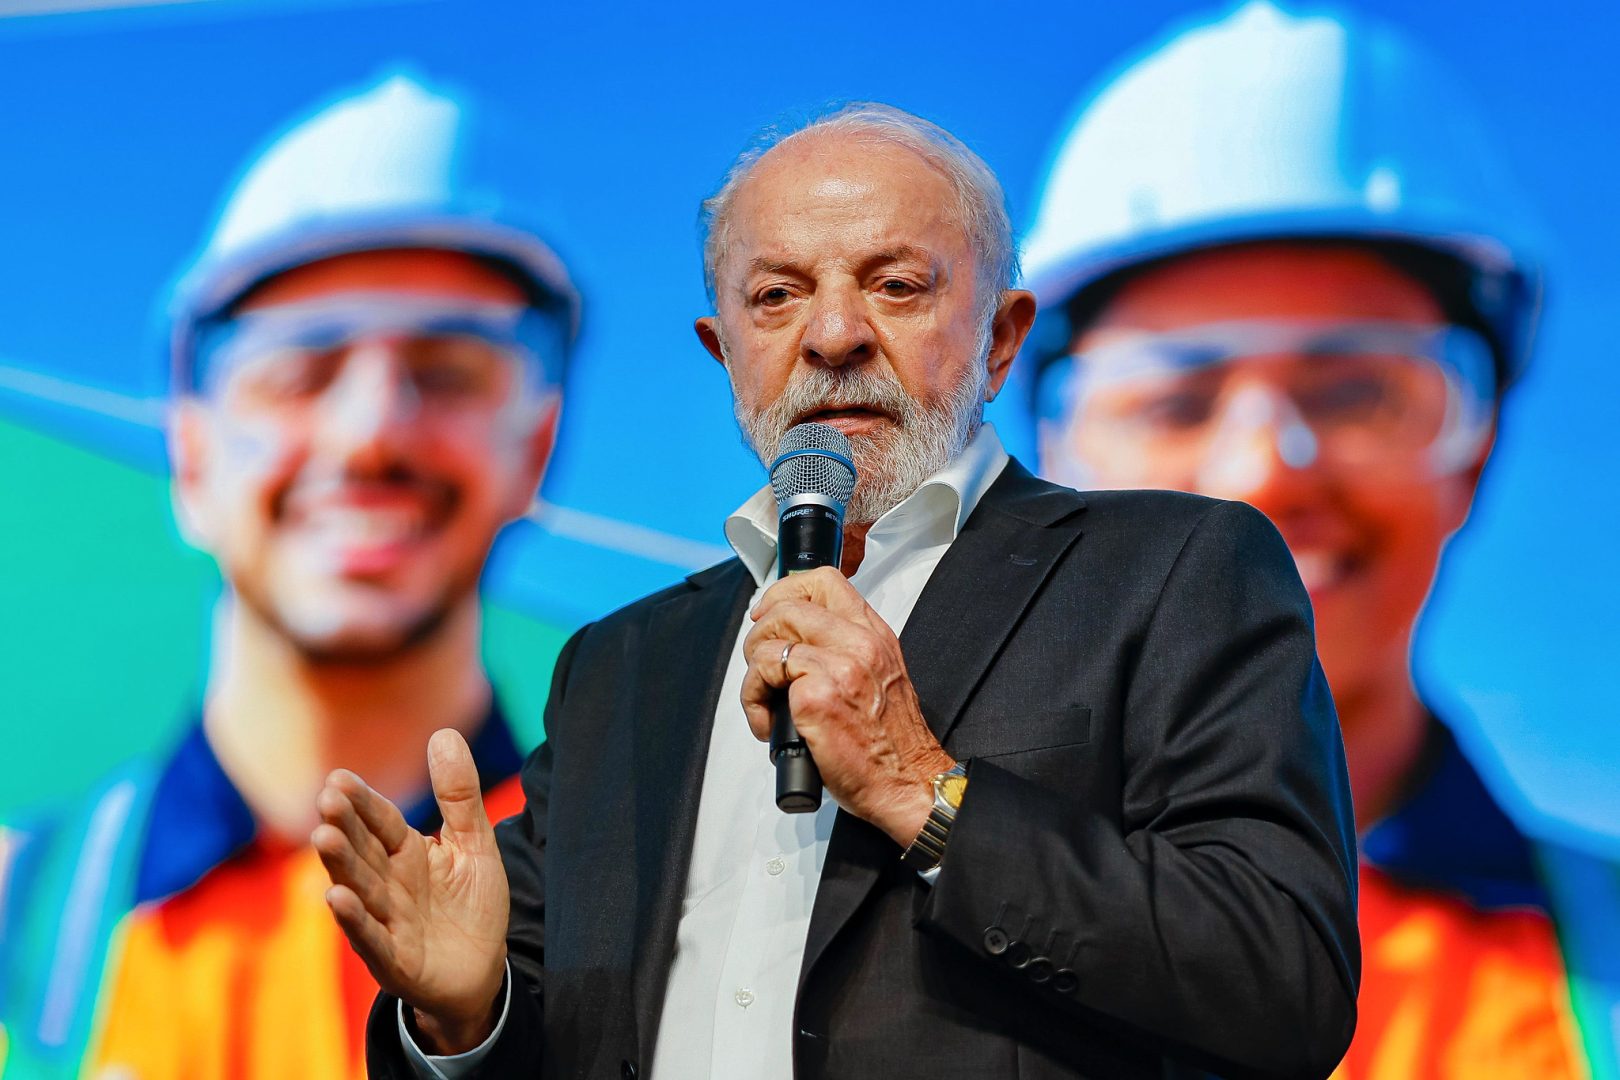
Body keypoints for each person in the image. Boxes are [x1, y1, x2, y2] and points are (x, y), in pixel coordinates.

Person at [318, 102, 1359, 1080]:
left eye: (896, 285)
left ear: (1001, 339)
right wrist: (463, 1015)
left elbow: (1285, 980)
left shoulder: (1170, 573)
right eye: (776, 297)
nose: (832, 336)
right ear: (724, 353)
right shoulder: (621, 665)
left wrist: (926, 794)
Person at [1019, 4, 1618, 1077]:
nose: (1264, 475)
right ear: (1055, 468)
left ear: (1473, 454)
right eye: (1175, 401)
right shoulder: (835, 935)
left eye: (1357, 393)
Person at [0, 72, 579, 1080]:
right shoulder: (19, 929)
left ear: (535, 446)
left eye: (448, 368)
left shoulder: (635, 913)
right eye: (300, 367)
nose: (370, 432)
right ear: (189, 452)